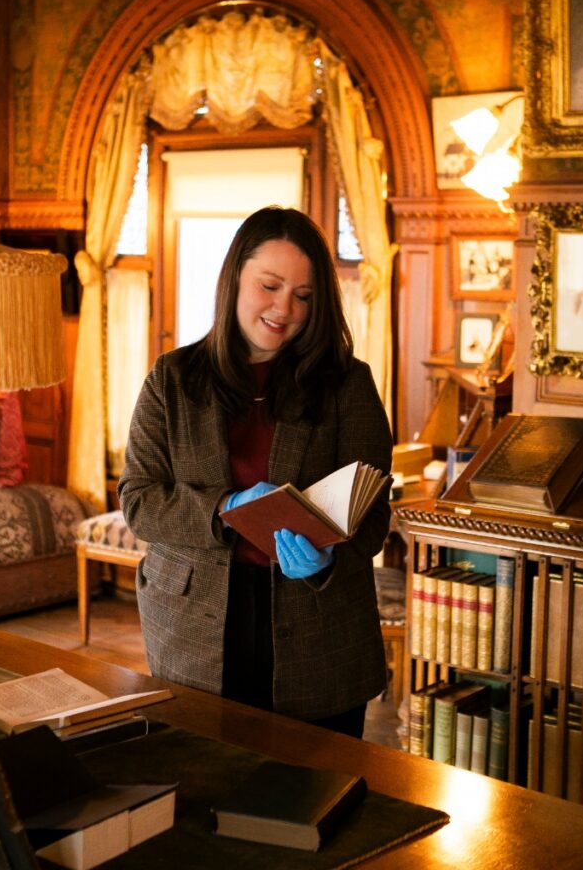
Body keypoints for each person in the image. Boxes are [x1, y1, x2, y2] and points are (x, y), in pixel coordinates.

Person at [118, 206, 393, 738]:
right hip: (194, 629)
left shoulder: (347, 385)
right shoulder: (173, 380)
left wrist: (329, 557)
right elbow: (138, 499)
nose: (284, 309)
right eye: (269, 285)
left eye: (303, 296)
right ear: (234, 279)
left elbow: (375, 512)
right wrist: (225, 509)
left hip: (319, 630)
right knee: (206, 794)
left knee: (318, 798)